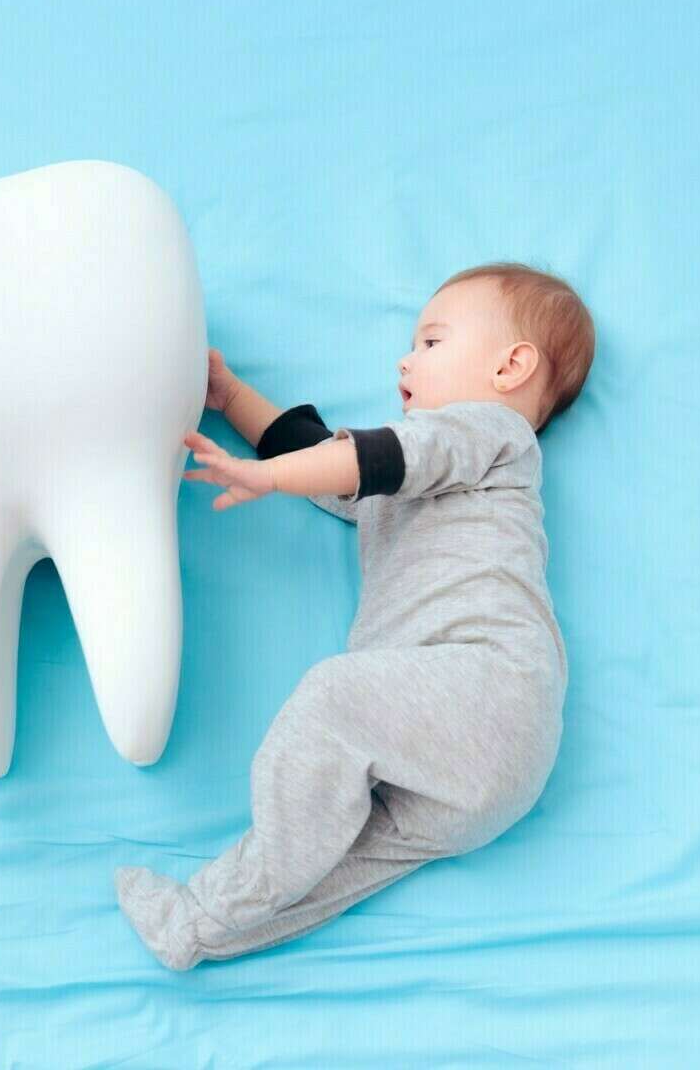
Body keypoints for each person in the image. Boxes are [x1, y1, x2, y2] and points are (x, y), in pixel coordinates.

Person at [115, 262, 596, 970]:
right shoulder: (411, 473)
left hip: (488, 687)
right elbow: (333, 465)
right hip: (467, 770)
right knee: (332, 861)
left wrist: (266, 477)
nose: (405, 360)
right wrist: (233, 398)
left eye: (431, 342)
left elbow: (374, 457)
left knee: (331, 699)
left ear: (510, 368)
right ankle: (197, 924)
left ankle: (230, 896)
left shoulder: (491, 432)